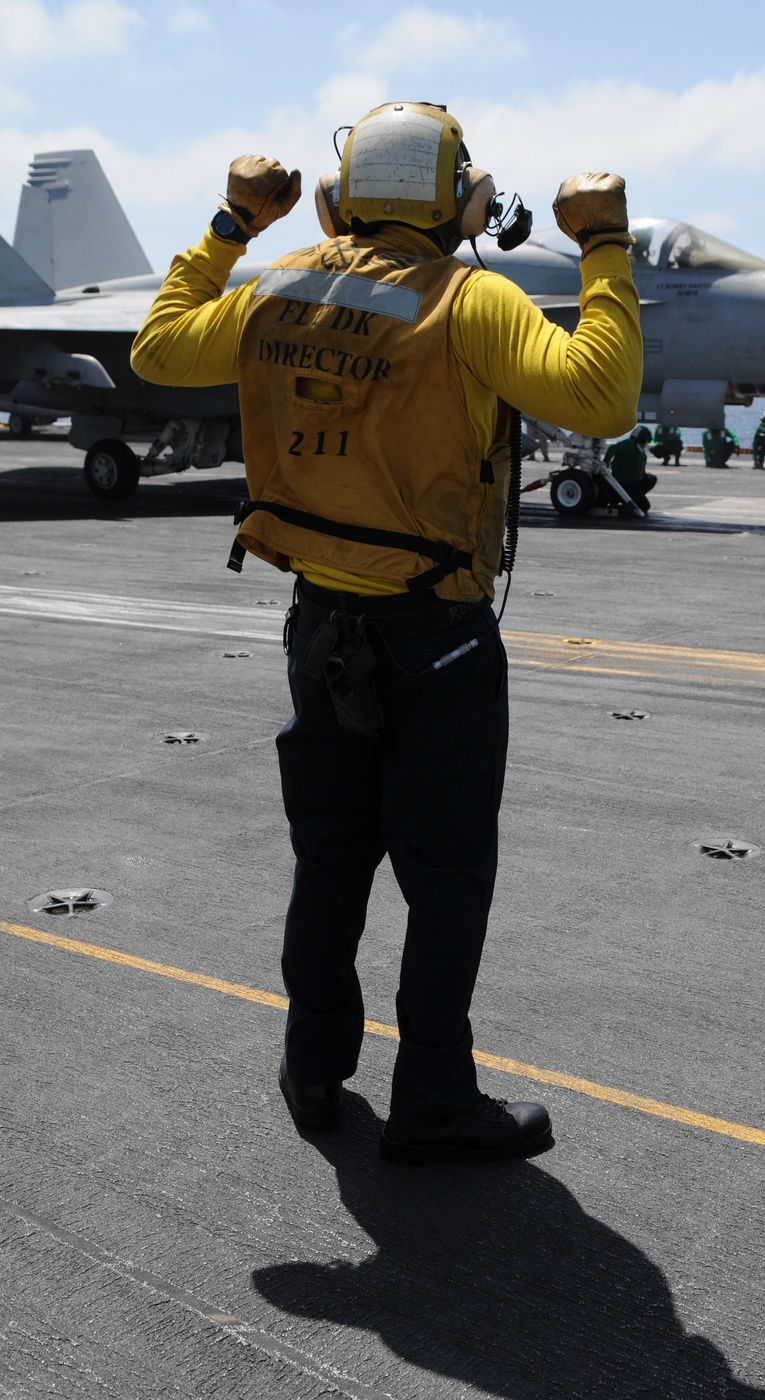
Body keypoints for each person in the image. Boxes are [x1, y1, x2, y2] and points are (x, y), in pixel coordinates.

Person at [130, 102, 642, 1165]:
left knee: (329, 860)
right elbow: (602, 398)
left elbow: (158, 349)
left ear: (336, 198)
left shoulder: (275, 287)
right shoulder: (472, 299)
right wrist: (602, 244)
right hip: (436, 640)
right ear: (463, 202)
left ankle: (314, 1070)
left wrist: (232, 224)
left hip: (320, 630)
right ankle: (434, 1102)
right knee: (443, 878)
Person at [604, 426, 657, 511]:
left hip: (633, 482)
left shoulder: (639, 447)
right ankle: (622, 500)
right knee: (644, 506)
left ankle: (633, 497)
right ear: (643, 438)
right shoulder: (629, 444)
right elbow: (612, 449)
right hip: (624, 483)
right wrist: (605, 462)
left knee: (651, 479)